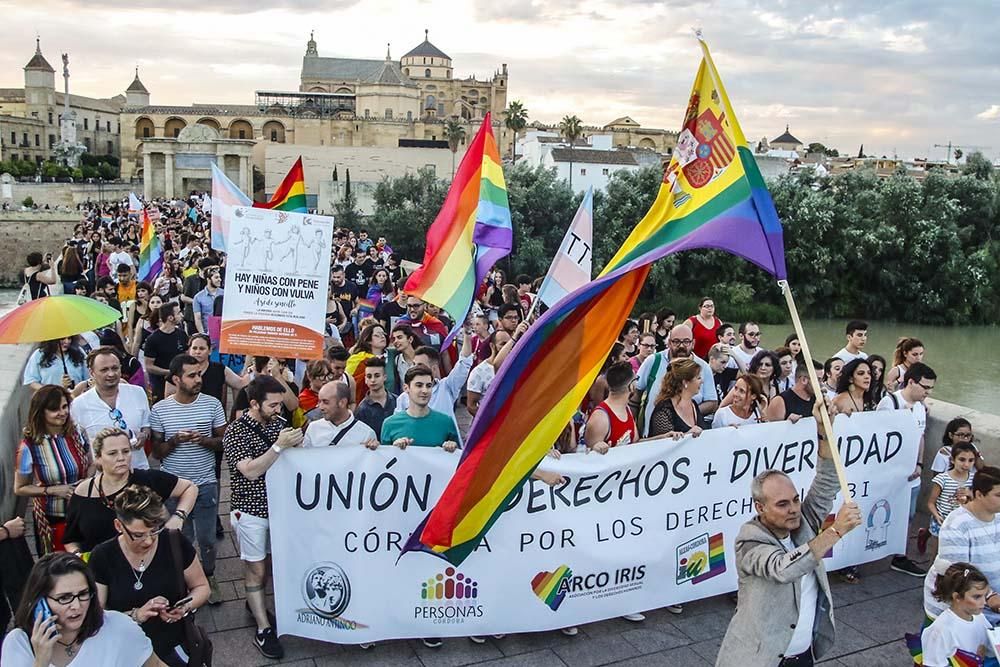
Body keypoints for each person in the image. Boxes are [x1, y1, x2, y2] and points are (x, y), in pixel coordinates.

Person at [716, 400, 862, 667]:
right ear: (760, 507)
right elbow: (783, 568)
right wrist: (837, 530)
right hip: (760, 660)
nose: (794, 509)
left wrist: (822, 428)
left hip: (803, 657)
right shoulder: (749, 542)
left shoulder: (802, 523)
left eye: (795, 500)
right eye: (782, 504)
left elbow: (827, 481)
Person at [223, 376, 304, 659]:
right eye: (272, 405)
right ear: (254, 404)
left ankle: (253, 600)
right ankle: (263, 628)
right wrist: (279, 447)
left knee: (269, 566)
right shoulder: (235, 432)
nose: (279, 410)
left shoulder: (281, 425)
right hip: (251, 511)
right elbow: (250, 470)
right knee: (255, 569)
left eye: (280, 404)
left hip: (281, 510)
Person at [89, 485, 210, 666]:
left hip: (174, 647)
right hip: (128, 653)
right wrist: (136, 615)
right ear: (118, 526)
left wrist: (184, 607)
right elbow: (95, 617)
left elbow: (201, 587)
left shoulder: (173, 541)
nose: (148, 540)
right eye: (138, 535)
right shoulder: (102, 556)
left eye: (154, 531)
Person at [150, 354, 228, 606]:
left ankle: (209, 576)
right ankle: (183, 579)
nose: (198, 379)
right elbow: (157, 452)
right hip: (174, 488)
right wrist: (174, 441)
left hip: (205, 484)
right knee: (180, 537)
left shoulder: (212, 404)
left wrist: (202, 440)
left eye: (199, 374)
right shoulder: (160, 410)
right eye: (192, 375)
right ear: (176, 379)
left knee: (207, 538)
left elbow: (222, 442)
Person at [1, 552, 161, 666]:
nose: (77, 606)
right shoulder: (19, 643)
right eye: (64, 598)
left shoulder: (118, 626)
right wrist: (41, 661)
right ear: (39, 602)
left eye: (83, 594)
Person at [63, 428, 196, 557]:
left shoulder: (148, 479)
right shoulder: (84, 492)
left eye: (126, 451)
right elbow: (71, 538)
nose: (121, 458)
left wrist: (179, 517)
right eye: (112, 453)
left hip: (149, 563)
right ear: (98, 457)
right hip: (103, 572)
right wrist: (78, 556)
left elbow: (190, 488)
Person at [13, 385, 93, 555]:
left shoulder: (78, 432)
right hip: (53, 516)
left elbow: (92, 464)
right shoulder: (29, 446)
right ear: (41, 412)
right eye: (54, 409)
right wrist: (54, 490)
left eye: (64, 407)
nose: (62, 413)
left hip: (83, 510)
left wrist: (86, 482)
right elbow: (20, 488)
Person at [877, 361, 935, 577]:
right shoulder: (889, 403)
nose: (928, 392)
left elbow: (920, 437)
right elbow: (880, 440)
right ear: (911, 382)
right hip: (890, 475)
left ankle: (899, 556)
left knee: (908, 516)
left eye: (930, 388)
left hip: (912, 475)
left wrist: (919, 464)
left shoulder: (920, 407)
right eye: (925, 387)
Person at [924, 467, 1000, 626]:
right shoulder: (956, 524)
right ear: (979, 494)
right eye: (998, 495)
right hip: (961, 613)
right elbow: (960, 574)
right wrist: (990, 596)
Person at [70, 346, 151, 470]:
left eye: (115, 368)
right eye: (104, 370)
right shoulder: (79, 405)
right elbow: (78, 445)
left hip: (139, 472)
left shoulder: (138, 393)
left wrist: (144, 435)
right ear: (92, 373)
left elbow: (146, 426)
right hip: (104, 477)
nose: (111, 374)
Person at [636, 324, 717, 436]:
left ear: (693, 343)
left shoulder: (703, 367)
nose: (681, 346)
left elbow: (712, 402)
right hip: (654, 437)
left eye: (686, 342)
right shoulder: (653, 361)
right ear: (669, 343)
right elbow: (636, 393)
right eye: (676, 342)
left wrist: (685, 409)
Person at [394, 334, 474, 441]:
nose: (414, 368)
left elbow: (464, 363)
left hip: (445, 451)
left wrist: (467, 335)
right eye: (413, 364)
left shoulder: (446, 387)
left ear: (434, 369)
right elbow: (396, 427)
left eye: (420, 364)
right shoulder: (403, 398)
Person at [921, 563, 993, 667]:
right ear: (957, 597)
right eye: (977, 597)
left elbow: (991, 646)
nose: (984, 602)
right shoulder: (941, 631)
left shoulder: (979, 617)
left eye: (985, 596)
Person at [381, 365, 460, 452]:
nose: (425, 391)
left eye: (429, 386)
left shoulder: (446, 422)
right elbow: (384, 460)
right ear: (406, 388)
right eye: (419, 385)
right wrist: (394, 448)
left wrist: (453, 447)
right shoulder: (390, 424)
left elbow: (460, 460)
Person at [926, 443, 977, 547]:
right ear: (953, 460)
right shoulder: (942, 479)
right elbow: (931, 502)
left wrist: (970, 494)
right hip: (943, 521)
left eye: (971, 460)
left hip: (963, 522)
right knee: (938, 551)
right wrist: (937, 516)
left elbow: (978, 501)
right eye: (962, 460)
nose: (966, 464)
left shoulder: (974, 479)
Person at [303, 381, 378, 448]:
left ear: (342, 403)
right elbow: (306, 459)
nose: (320, 407)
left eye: (325, 402)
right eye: (319, 401)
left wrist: (372, 450)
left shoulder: (366, 434)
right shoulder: (313, 428)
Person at [647, 358, 704, 439]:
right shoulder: (664, 409)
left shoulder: (693, 404)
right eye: (698, 378)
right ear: (685, 382)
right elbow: (663, 445)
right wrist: (687, 435)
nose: (702, 381)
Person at [143, 302, 189, 401]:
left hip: (180, 382)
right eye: (178, 313)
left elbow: (186, 355)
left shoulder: (182, 334)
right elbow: (149, 366)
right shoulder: (153, 339)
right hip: (160, 384)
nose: (181, 315)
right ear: (170, 318)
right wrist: (168, 372)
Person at [466, 330, 511, 416]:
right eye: (503, 344)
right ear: (492, 346)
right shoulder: (478, 372)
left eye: (509, 344)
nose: (507, 348)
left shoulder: (514, 365)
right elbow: (471, 406)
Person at [23, 338, 89, 392]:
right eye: (62, 339)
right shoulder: (39, 354)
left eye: (69, 338)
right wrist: (52, 391)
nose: (67, 341)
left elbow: (88, 378)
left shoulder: (79, 352)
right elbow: (32, 380)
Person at [355, 357, 397, 440]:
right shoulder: (361, 409)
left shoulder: (397, 401)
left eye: (377, 376)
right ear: (365, 380)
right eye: (369, 376)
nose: (373, 380)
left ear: (384, 377)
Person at [388, 325, 419, 395]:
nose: (395, 341)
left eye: (399, 337)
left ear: (410, 339)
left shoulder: (422, 357)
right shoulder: (397, 360)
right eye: (394, 339)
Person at [192, 266, 223, 335]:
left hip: (223, 332)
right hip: (208, 333)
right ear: (208, 279)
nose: (220, 279)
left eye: (219, 277)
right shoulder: (198, 297)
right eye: (216, 277)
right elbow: (198, 319)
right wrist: (203, 334)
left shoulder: (224, 294)